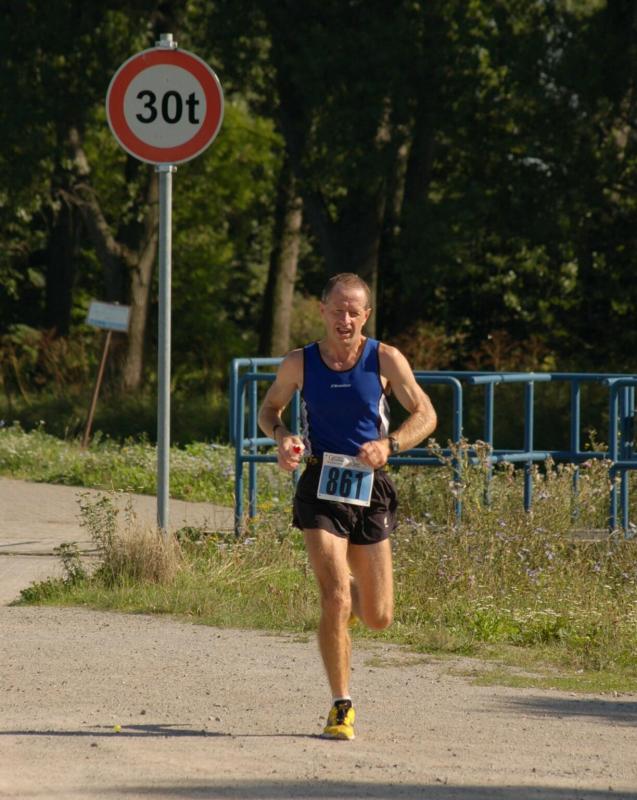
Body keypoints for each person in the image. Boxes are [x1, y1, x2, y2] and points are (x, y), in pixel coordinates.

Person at [258, 272, 437, 740]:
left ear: (366, 315)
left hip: (369, 484)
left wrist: (390, 445)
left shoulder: (385, 358)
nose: (345, 319)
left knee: (379, 616)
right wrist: (283, 438)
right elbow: (269, 409)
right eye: (337, 310)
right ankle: (341, 705)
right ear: (322, 311)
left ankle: (352, 595)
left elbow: (426, 414)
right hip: (320, 482)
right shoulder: (299, 362)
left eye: (354, 311)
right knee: (334, 597)